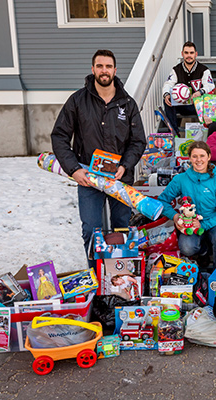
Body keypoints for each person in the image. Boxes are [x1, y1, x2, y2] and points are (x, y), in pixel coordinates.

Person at [51, 49, 146, 269]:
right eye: (100, 66)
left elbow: (138, 141)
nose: (104, 71)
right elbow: (59, 137)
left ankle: (119, 278)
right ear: (93, 69)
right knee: (90, 230)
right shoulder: (77, 101)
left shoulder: (127, 104)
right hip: (88, 178)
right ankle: (96, 276)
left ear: (115, 70)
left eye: (108, 66)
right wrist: (74, 169)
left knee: (122, 228)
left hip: (119, 179)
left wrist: (125, 165)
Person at [158, 141, 216, 270]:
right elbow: (162, 201)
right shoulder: (181, 179)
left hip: (215, 221)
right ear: (189, 158)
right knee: (187, 247)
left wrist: (203, 225)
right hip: (189, 222)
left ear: (209, 157)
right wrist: (175, 217)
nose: (199, 160)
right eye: (194, 156)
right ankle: (203, 252)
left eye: (202, 156)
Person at [162, 41, 214, 134]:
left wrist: (200, 92)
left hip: (198, 106)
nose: (189, 55)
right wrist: (166, 94)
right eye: (186, 53)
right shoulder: (176, 70)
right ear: (182, 54)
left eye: (191, 53)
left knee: (212, 102)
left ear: (196, 54)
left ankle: (211, 134)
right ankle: (174, 133)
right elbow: (168, 84)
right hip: (182, 105)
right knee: (167, 101)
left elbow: (210, 85)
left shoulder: (204, 70)